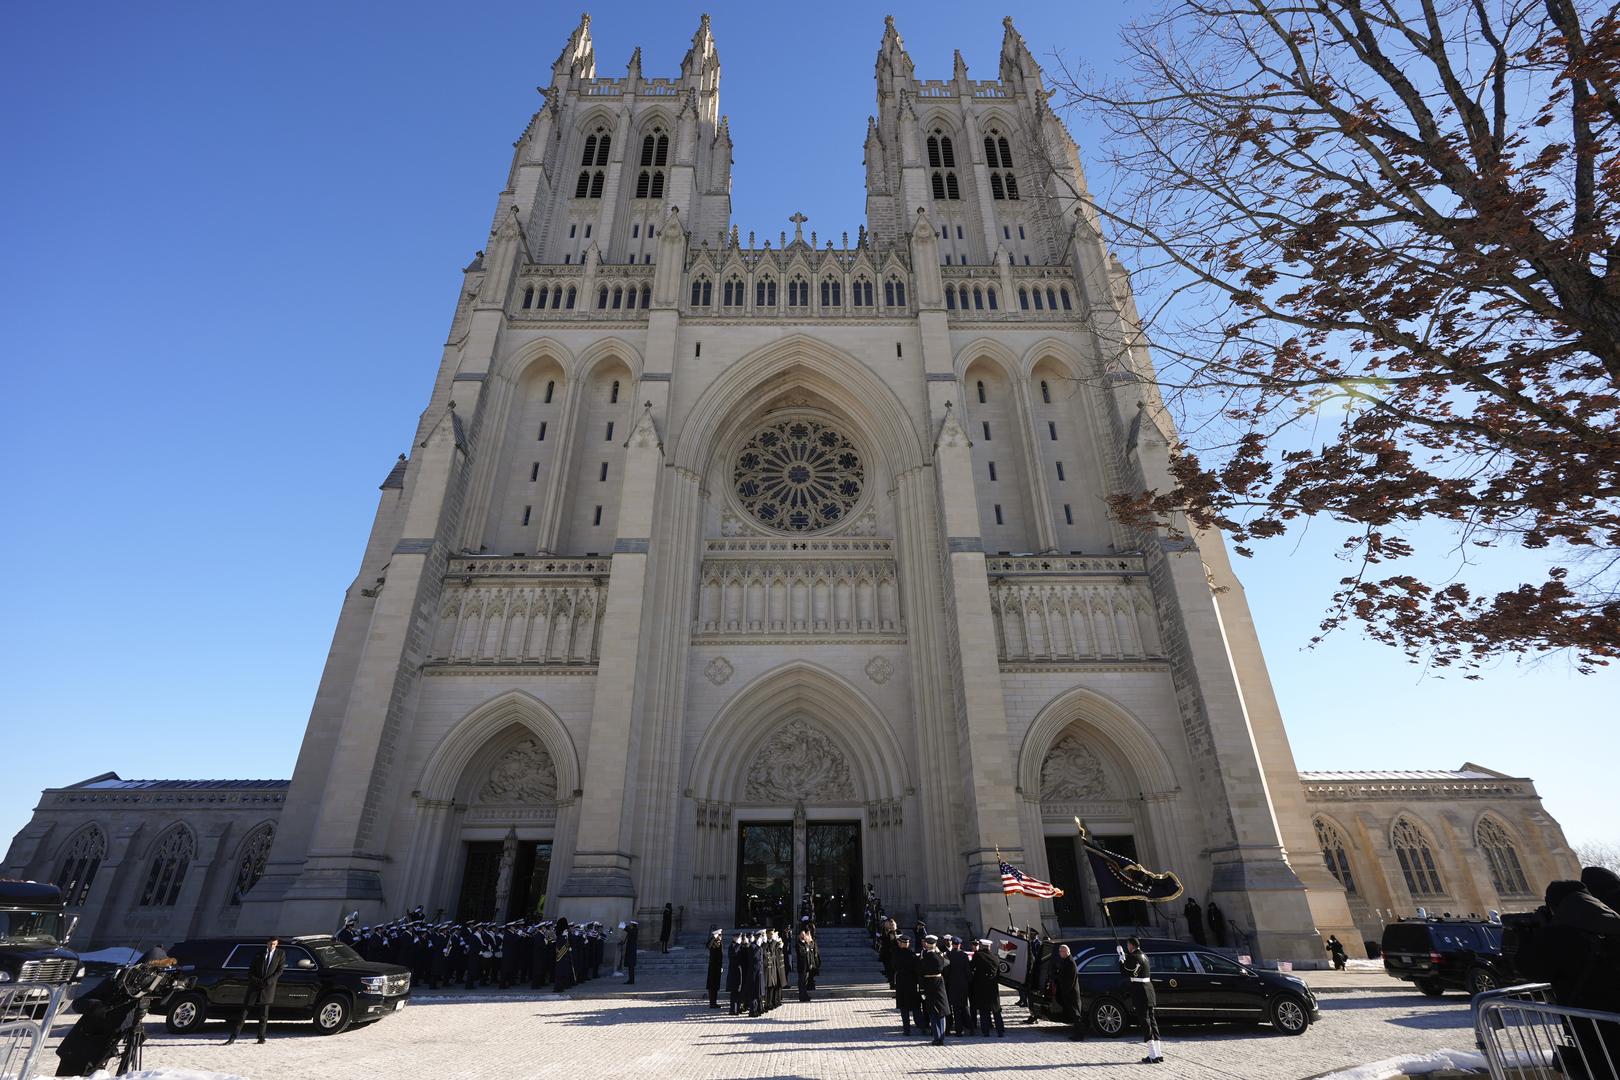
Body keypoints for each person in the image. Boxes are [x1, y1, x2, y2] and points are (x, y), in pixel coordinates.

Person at [226, 937, 285, 1045]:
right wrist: (256, 980)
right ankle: (233, 1037)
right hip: (254, 987)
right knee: (244, 1013)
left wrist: (268, 981)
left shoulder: (280, 954)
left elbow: (280, 970)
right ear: (267, 943)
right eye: (271, 944)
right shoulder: (259, 954)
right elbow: (251, 971)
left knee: (264, 1015)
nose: (272, 946)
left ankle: (261, 1037)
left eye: (275, 944)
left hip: (268, 987)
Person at [1122, 936, 1163, 1064]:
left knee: (1145, 1021)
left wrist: (1121, 959)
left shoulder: (1133, 957)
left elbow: (1126, 972)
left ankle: (1152, 1055)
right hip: (1149, 990)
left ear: (1131, 945)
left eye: (1128, 945)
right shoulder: (1144, 955)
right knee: (1152, 1021)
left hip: (1140, 991)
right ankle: (1158, 1053)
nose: (1127, 947)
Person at [917, 934, 950, 1045]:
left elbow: (920, 972)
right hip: (939, 984)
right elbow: (947, 963)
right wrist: (940, 953)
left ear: (926, 944)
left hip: (928, 984)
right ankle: (942, 1036)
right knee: (941, 1012)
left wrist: (921, 988)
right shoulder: (939, 957)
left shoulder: (923, 957)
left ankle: (936, 1036)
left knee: (933, 1012)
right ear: (935, 944)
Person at [969, 939, 1004, 1037]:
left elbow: (971, 967)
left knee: (984, 1010)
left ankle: (985, 1031)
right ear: (989, 947)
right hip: (993, 987)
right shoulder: (996, 957)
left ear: (981, 946)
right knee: (996, 1010)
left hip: (981, 987)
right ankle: (1000, 1031)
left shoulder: (978, 955)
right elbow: (998, 974)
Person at [1052, 943, 1085, 1042]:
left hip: (1071, 993)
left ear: (1066, 952)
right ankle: (1076, 1033)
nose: (1059, 953)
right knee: (1073, 1015)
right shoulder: (1065, 961)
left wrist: (1065, 991)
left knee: (1076, 1015)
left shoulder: (1070, 962)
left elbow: (1070, 979)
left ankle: (1080, 1034)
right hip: (1068, 992)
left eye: (1061, 951)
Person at [893, 934, 923, 1035]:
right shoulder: (913, 955)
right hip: (912, 984)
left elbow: (894, 966)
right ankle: (922, 1027)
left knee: (904, 1008)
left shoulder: (896, 954)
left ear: (901, 943)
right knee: (915, 1007)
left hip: (901, 984)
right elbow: (918, 970)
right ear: (908, 943)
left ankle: (907, 1030)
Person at [944, 936, 972, 1035]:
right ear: (960, 944)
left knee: (955, 1008)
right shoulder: (964, 955)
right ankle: (970, 1028)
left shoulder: (948, 955)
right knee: (964, 1006)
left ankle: (958, 1030)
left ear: (953, 944)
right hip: (963, 984)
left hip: (952, 984)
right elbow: (968, 971)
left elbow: (946, 971)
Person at [707, 927, 725, 1008]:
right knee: (712, 985)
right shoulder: (712, 944)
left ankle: (714, 1002)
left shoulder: (720, 943)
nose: (721, 936)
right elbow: (708, 945)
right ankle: (712, 1003)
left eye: (721, 935)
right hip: (712, 967)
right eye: (719, 935)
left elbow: (721, 957)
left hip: (718, 967)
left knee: (716, 985)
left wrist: (721, 967)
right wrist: (713, 937)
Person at [727, 933, 744, 1014]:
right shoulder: (732, 946)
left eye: (739, 937)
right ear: (734, 938)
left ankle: (738, 1008)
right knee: (734, 991)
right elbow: (734, 953)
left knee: (739, 990)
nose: (738, 939)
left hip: (739, 970)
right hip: (734, 972)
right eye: (737, 937)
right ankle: (733, 1009)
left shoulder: (739, 945)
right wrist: (738, 944)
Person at [623, 919, 639, 985]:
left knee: (631, 966)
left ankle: (631, 980)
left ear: (632, 925)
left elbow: (630, 930)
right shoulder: (632, 930)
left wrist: (625, 927)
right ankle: (630, 980)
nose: (630, 925)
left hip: (631, 951)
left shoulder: (634, 930)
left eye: (630, 924)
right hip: (630, 950)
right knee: (630, 966)